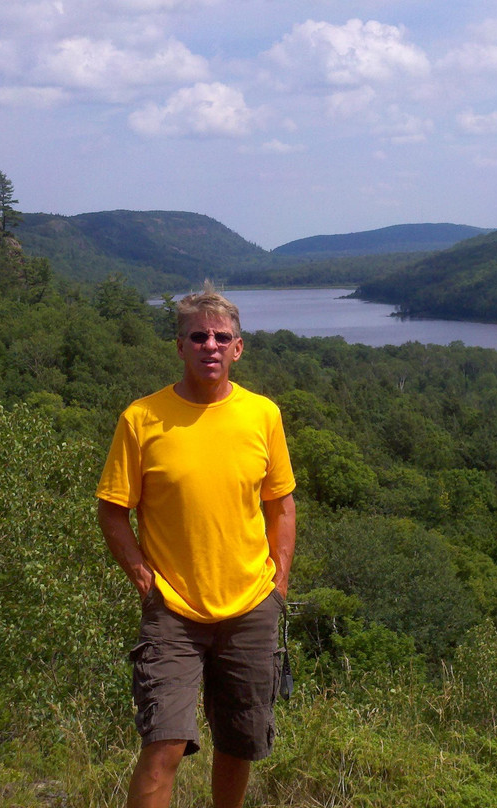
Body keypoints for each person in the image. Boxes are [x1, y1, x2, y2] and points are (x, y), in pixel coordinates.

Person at [96, 285, 296, 808]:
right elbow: (113, 510)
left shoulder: (263, 415)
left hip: (251, 605)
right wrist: (144, 579)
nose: (210, 344)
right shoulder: (142, 418)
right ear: (179, 346)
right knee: (163, 742)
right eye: (198, 336)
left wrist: (279, 583)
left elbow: (281, 505)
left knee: (239, 743)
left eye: (221, 336)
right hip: (174, 611)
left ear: (238, 348)